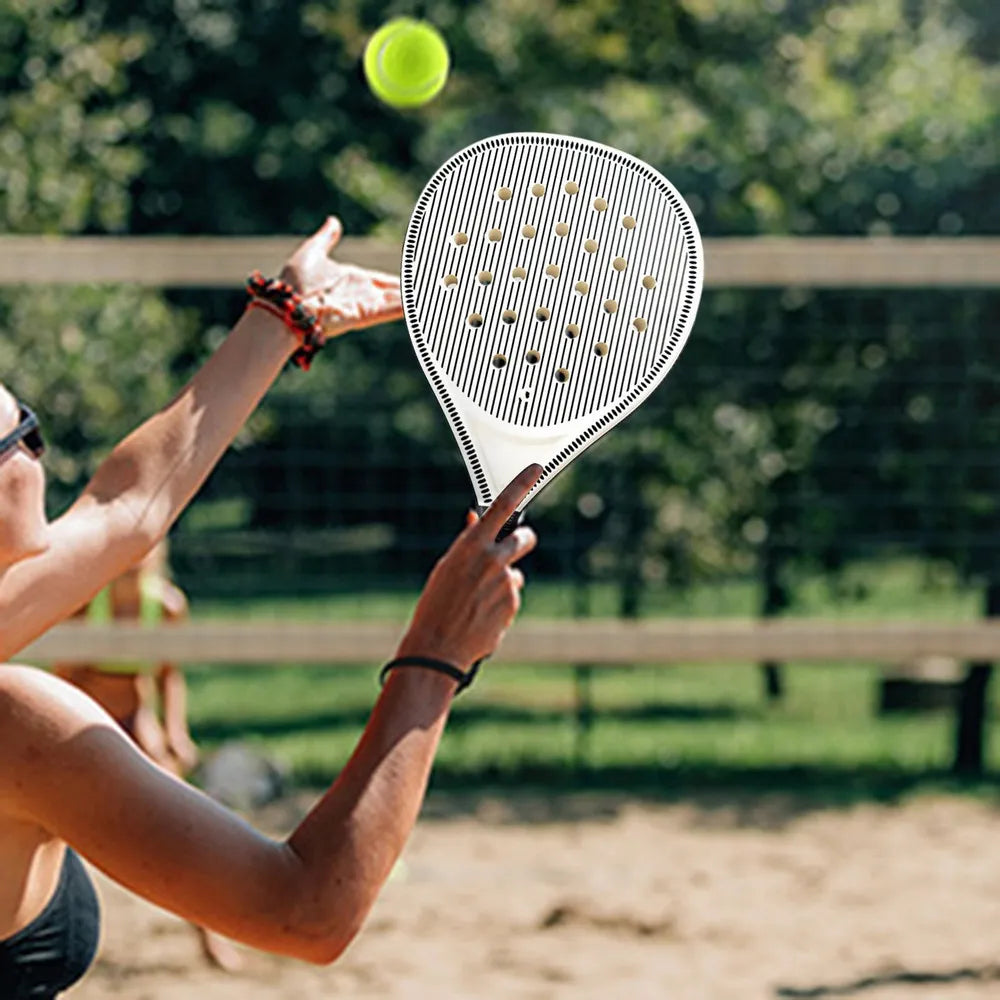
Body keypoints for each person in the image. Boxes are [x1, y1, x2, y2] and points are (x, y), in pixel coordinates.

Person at [0, 217, 540, 998]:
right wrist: (435, 659)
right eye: (25, 435)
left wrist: (289, 314)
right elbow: (307, 913)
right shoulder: (23, 729)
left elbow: (127, 509)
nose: (34, 441)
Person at [53, 540, 248, 972]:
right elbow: (62, 681)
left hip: (136, 717)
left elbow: (168, 676)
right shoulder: (86, 602)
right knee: (48, 826)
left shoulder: (166, 606)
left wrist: (175, 730)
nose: (137, 556)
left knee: (182, 829)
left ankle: (210, 936)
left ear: (158, 552)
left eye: (148, 546)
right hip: (83, 718)